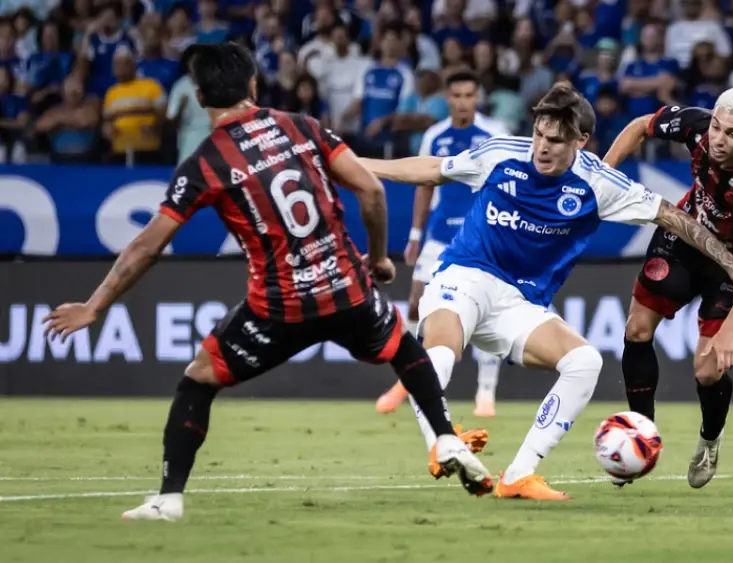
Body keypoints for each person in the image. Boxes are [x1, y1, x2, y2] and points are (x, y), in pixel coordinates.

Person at [41, 43, 493, 522]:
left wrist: (96, 305)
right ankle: (444, 437)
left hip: (279, 308)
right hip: (346, 287)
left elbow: (147, 247)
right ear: (253, 85)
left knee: (197, 381)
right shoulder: (301, 126)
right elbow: (372, 189)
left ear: (198, 98)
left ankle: (168, 499)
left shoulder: (206, 162)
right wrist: (378, 259)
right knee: (404, 345)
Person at [359, 83, 733, 500]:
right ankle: (441, 441)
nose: (542, 148)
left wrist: (732, 265)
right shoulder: (501, 153)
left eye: (556, 141)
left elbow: (671, 217)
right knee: (441, 349)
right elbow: (432, 169)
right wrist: (358, 166)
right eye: (539, 136)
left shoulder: (598, 184)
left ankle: (517, 476)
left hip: (519, 304)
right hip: (464, 276)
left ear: (581, 142)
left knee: (584, 361)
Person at [602, 89, 733, 489]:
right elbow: (639, 126)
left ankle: (710, 438)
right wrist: (600, 175)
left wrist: (729, 330)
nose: (719, 140)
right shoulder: (697, 125)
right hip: (684, 240)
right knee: (636, 330)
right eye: (718, 128)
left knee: (707, 371)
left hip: (731, 267)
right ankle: (641, 437)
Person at [374, 70, 511, 418]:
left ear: (477, 97)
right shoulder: (435, 135)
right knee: (417, 306)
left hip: (482, 237)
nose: (463, 101)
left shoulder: (495, 135)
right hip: (438, 234)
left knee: (485, 314)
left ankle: (486, 394)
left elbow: (510, 184)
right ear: (447, 98)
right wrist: (416, 235)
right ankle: (408, 379)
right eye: (457, 95)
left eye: (469, 95)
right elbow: (424, 183)